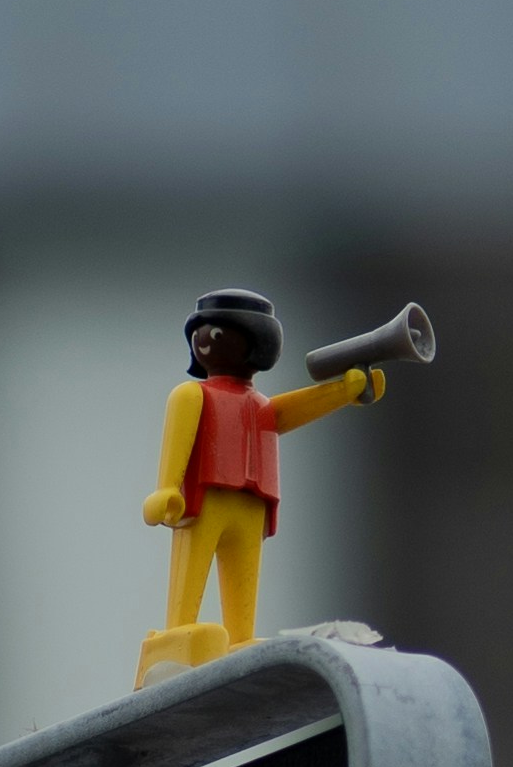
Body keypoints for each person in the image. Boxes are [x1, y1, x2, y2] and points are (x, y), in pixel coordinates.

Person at [135, 289, 380, 684]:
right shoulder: (192, 393)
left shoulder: (260, 405)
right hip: (206, 496)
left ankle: (241, 637)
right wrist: (167, 487)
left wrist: (344, 391)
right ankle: (176, 632)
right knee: (191, 570)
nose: (204, 342)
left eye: (217, 334)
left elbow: (288, 411)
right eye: (200, 334)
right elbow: (177, 442)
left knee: (243, 577)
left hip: (252, 502)